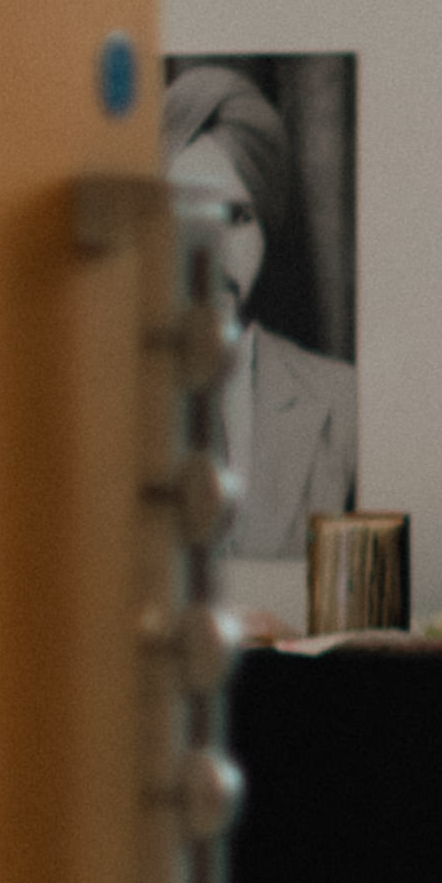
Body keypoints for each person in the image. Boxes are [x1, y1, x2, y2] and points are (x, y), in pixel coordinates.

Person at [160, 62, 357, 559]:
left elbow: (363, 607)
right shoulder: (92, 407)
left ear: (266, 228)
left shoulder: (344, 402)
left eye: (239, 217)